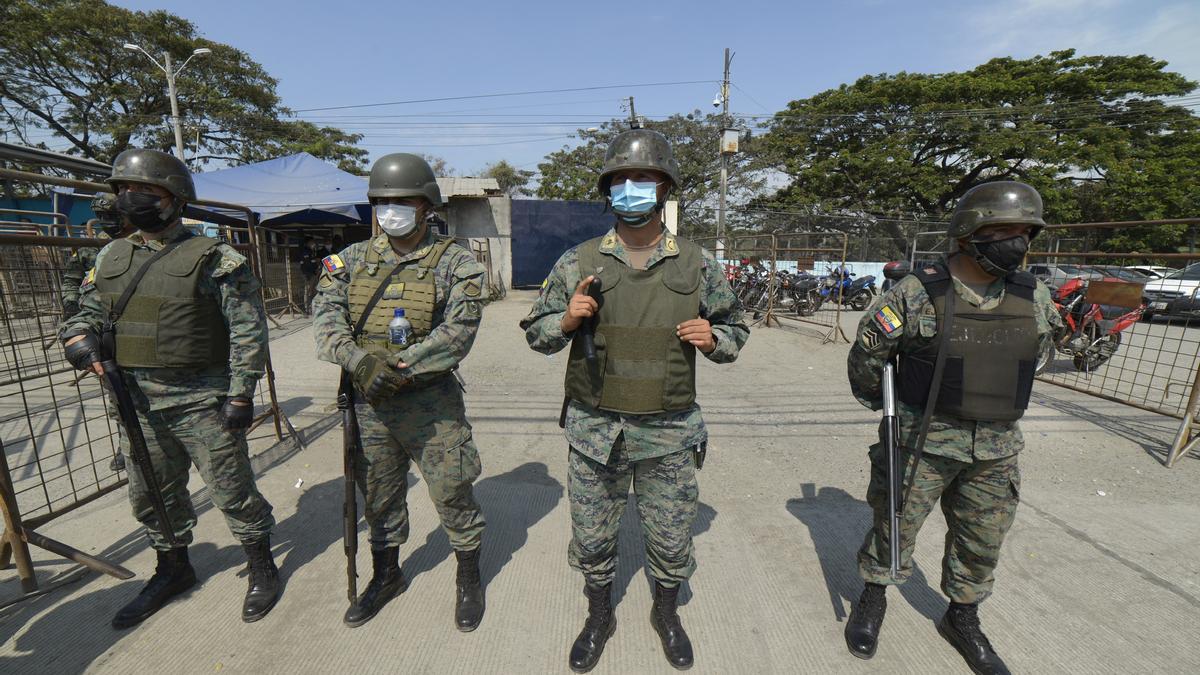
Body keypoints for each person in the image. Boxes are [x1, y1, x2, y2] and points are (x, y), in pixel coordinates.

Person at [520, 128, 749, 672]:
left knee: (671, 538)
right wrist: (568, 319)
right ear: (607, 190)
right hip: (595, 429)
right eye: (620, 179)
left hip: (668, 431)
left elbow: (735, 325)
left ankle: (666, 614)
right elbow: (536, 332)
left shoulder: (696, 263)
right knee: (593, 536)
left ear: (665, 188)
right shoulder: (577, 262)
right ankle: (598, 614)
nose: (631, 188)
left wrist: (715, 340)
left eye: (643, 178)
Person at [843, 181, 1062, 674]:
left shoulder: (1034, 294)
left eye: (1025, 232)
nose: (1017, 242)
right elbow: (867, 360)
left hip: (997, 447)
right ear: (969, 232)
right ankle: (874, 597)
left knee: (982, 541)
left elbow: (1045, 350)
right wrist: (888, 410)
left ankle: (962, 617)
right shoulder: (917, 293)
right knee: (894, 525)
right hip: (922, 439)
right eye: (1003, 230)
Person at [59, 148, 279, 629]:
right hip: (135, 401)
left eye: (144, 191)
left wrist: (242, 394)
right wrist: (78, 338)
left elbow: (248, 330)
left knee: (232, 490)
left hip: (201, 401)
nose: (130, 199)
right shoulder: (110, 255)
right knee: (152, 494)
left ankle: (262, 564)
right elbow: (87, 312)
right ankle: (173, 567)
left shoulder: (214, 257)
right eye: (122, 191)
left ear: (174, 198)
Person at [312, 152, 489, 631]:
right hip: (370, 404)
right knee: (379, 494)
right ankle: (386, 575)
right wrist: (360, 362)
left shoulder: (457, 263)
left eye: (403, 200)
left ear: (426, 204)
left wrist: (401, 367)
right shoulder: (347, 261)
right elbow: (325, 321)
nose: (392, 209)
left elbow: (460, 332)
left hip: (431, 402)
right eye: (383, 201)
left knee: (452, 487)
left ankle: (468, 574)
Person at [297, 236, 328, 313]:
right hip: (308, 274)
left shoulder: (311, 251)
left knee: (314, 290)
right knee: (308, 291)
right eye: (312, 242)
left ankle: (314, 306)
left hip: (314, 273)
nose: (314, 244)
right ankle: (307, 308)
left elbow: (312, 262)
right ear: (308, 243)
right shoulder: (305, 251)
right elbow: (307, 264)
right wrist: (313, 270)